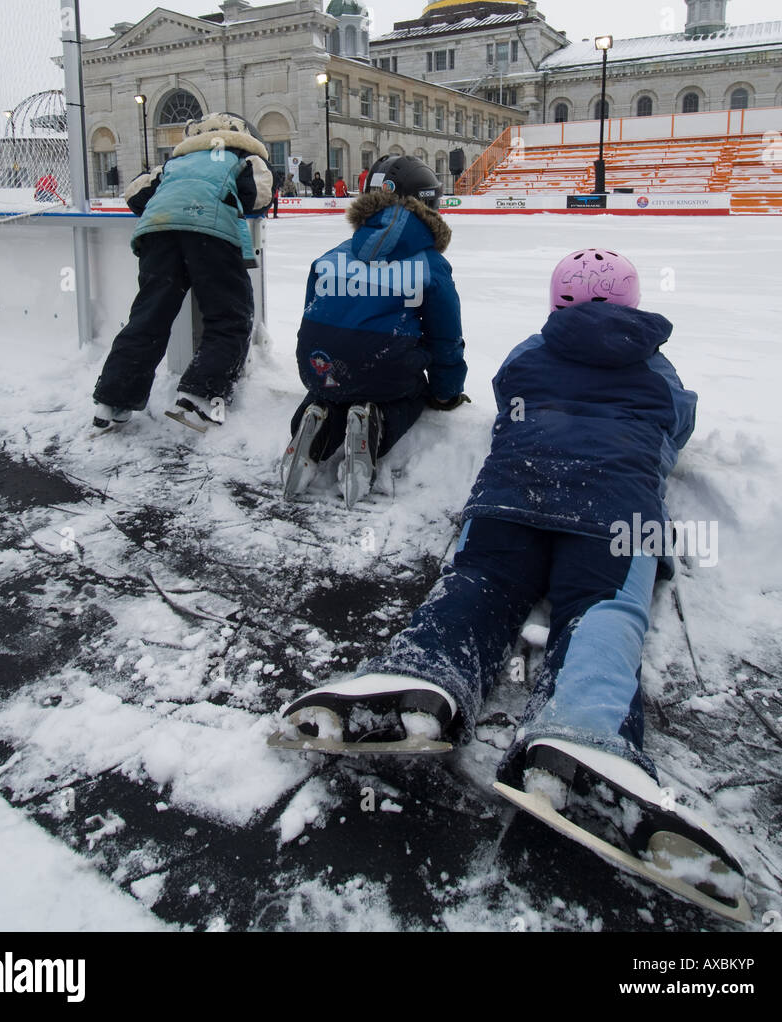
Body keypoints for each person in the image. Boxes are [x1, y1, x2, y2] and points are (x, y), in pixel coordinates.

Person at [276, 249, 742, 896]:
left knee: (475, 587)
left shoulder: (528, 354)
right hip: (611, 517)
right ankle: (587, 731)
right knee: (603, 615)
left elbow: (507, 393)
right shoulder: (657, 371)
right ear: (632, 305)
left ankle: (420, 675)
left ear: (556, 303)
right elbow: (677, 424)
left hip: (508, 502)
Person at [280, 155, 468, 507]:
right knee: (410, 392)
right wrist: (446, 392)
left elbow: (313, 314)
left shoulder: (333, 254)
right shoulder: (430, 264)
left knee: (335, 387)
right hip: (385, 366)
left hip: (317, 362)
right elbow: (445, 337)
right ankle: (373, 426)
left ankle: (314, 421)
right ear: (428, 206)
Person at [91, 111, 273, 430]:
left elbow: (135, 194)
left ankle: (113, 401)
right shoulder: (244, 156)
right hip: (212, 234)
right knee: (229, 315)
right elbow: (259, 197)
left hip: (158, 234)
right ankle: (201, 396)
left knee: (149, 317)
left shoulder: (174, 163)